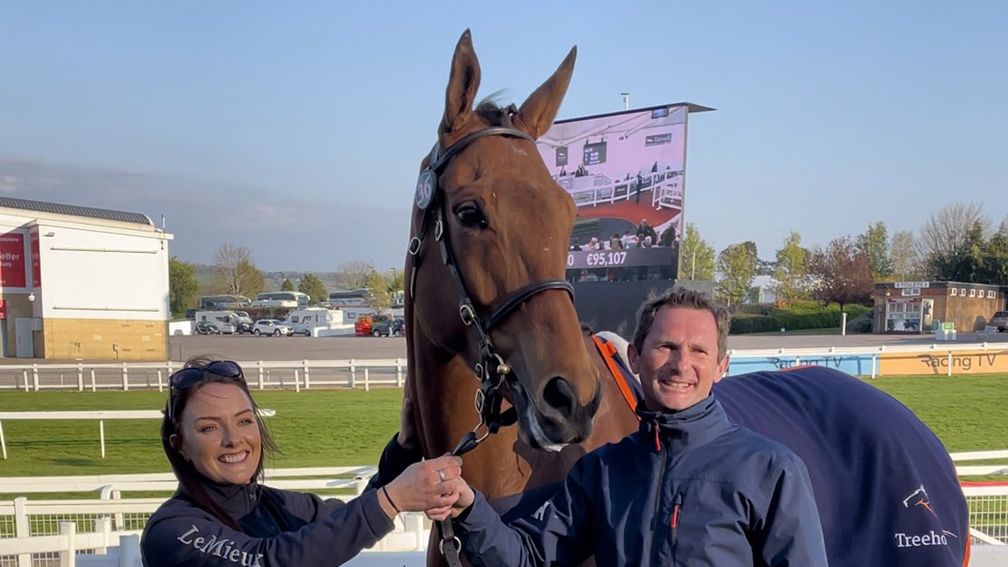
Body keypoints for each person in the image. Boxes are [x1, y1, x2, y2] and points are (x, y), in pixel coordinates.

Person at [441, 288, 828, 566]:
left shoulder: (772, 469)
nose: (681, 365)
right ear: (635, 357)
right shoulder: (601, 471)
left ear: (721, 367)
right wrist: (469, 507)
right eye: (666, 347)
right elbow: (528, 557)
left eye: (699, 351)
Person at [141, 358, 462, 567]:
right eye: (209, 427)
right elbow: (269, 561)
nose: (233, 439)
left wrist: (406, 446)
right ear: (179, 445)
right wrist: (393, 499)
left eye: (244, 421)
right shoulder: (172, 532)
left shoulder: (271, 505)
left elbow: (345, 520)